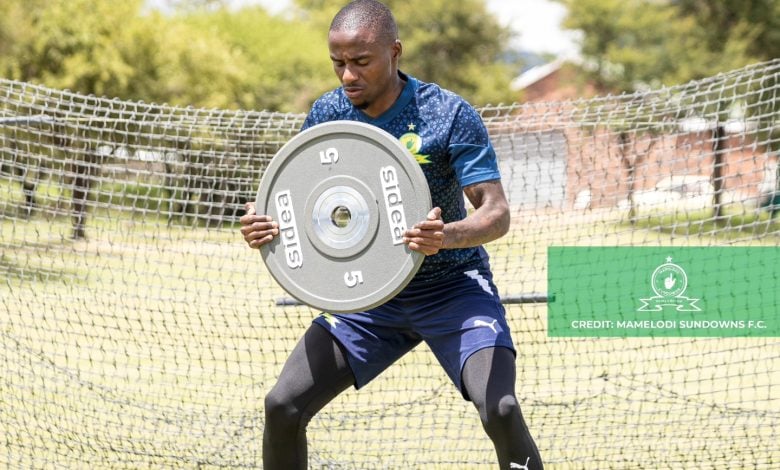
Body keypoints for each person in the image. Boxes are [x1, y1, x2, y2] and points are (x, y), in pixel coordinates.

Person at [240, 1, 543, 468]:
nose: (347, 76)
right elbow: (297, 201)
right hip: (367, 301)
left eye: (361, 62)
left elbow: (496, 214)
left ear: (395, 52)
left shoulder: (446, 113)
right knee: (282, 406)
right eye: (338, 63)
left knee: (500, 408)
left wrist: (447, 236)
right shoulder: (328, 113)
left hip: (452, 289)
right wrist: (263, 224)